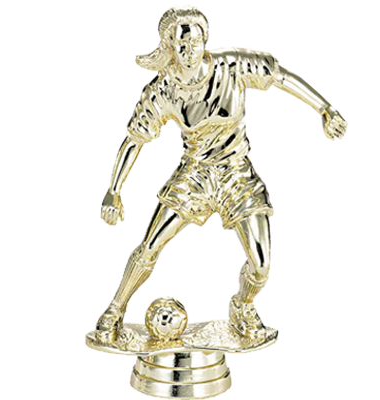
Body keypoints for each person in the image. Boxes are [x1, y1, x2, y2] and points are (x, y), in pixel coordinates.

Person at [95, 5, 348, 343]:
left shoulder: (232, 65)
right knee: (150, 246)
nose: (188, 50)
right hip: (194, 176)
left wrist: (325, 108)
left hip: (237, 175)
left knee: (261, 265)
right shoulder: (162, 89)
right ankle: (114, 310)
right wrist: (113, 191)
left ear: (205, 40)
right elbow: (133, 140)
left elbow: (280, 77)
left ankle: (243, 307)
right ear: (168, 46)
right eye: (180, 44)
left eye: (194, 41)